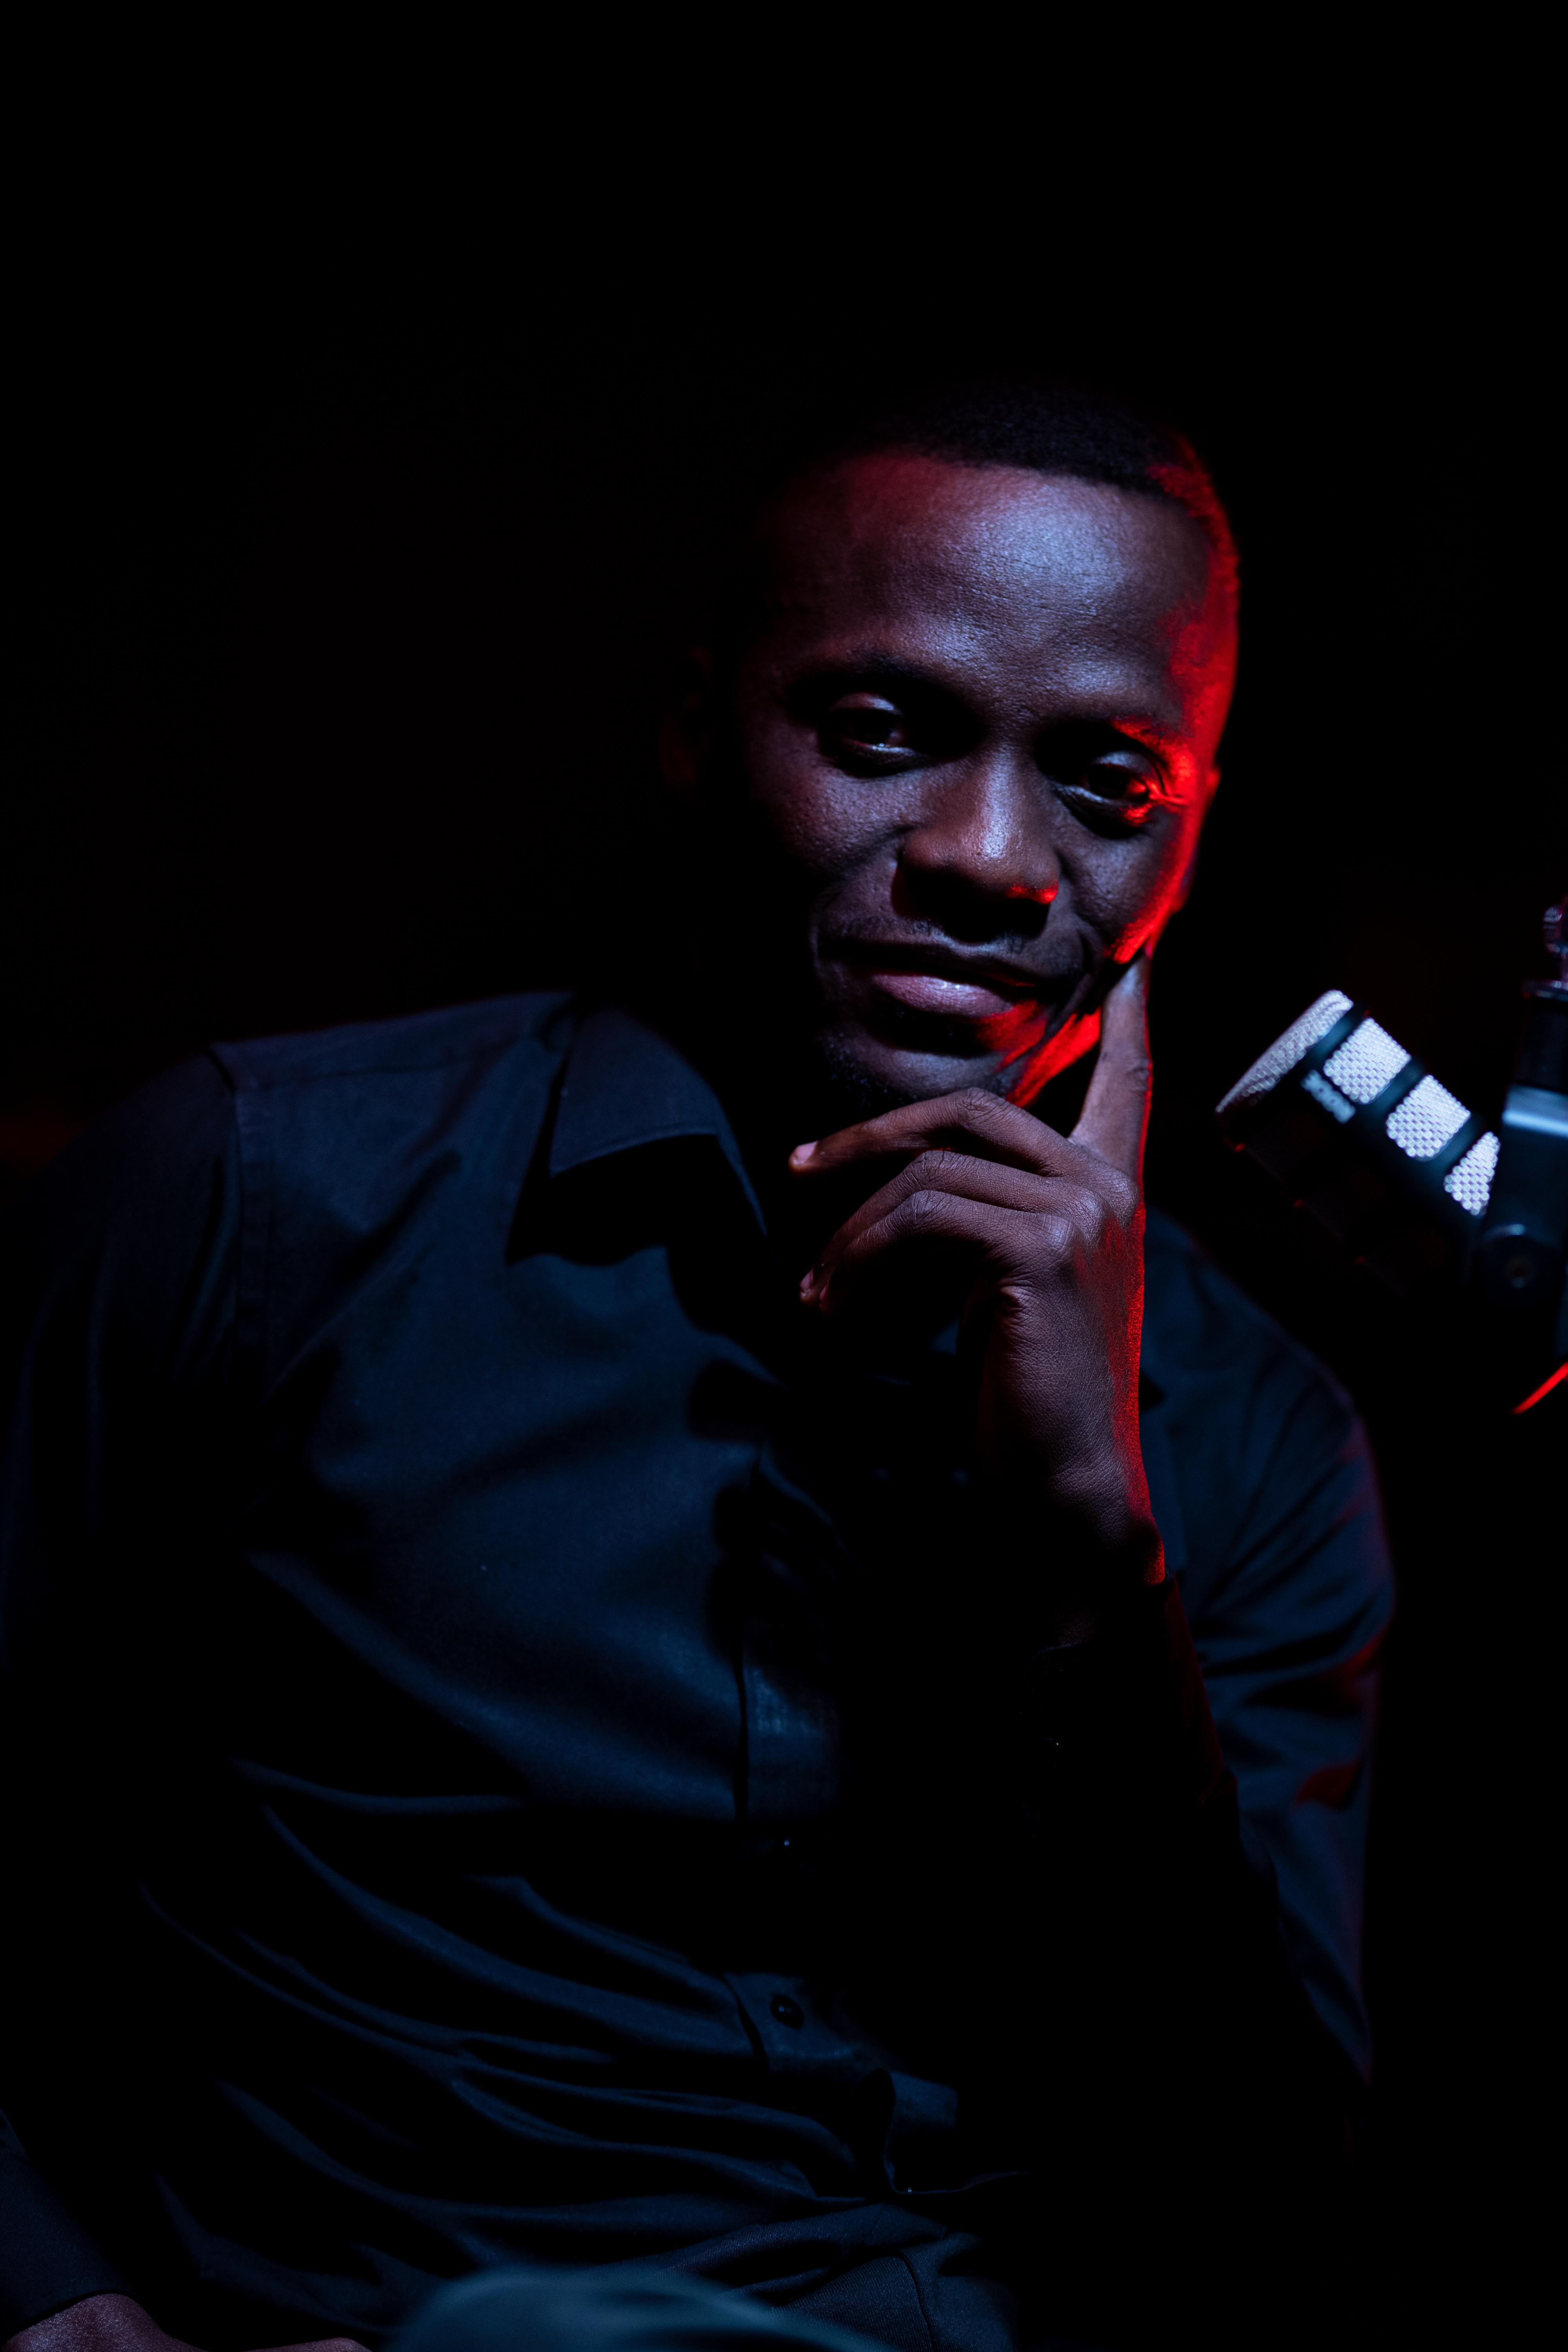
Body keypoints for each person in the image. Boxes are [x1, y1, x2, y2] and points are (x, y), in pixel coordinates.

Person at [0, 384, 1392, 2352]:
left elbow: (1261, 2214)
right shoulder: (254, 1204)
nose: (995, 858)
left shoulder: (1254, 1437)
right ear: (694, 727)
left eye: (1108, 782)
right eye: (885, 733)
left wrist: (1092, 1556)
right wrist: (64, 2316)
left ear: (1188, 836)